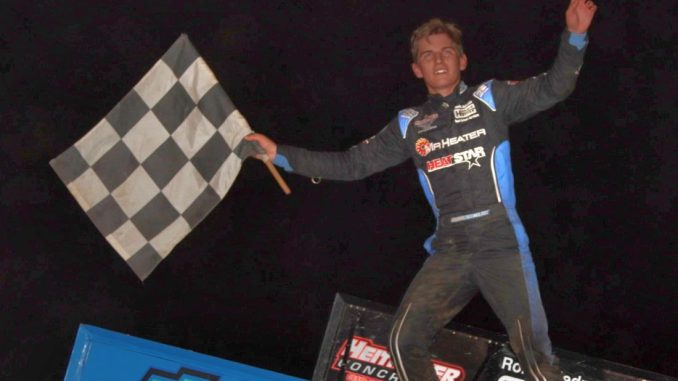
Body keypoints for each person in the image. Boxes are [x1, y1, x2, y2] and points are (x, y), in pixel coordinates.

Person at [246, 0, 597, 380]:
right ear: (416, 69)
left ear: (463, 60)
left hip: (500, 242)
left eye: (447, 51)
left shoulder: (491, 98)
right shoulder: (408, 124)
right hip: (450, 248)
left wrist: (575, 35)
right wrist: (279, 154)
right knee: (403, 338)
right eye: (428, 55)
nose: (439, 59)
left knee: (533, 354)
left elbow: (555, 87)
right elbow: (351, 164)